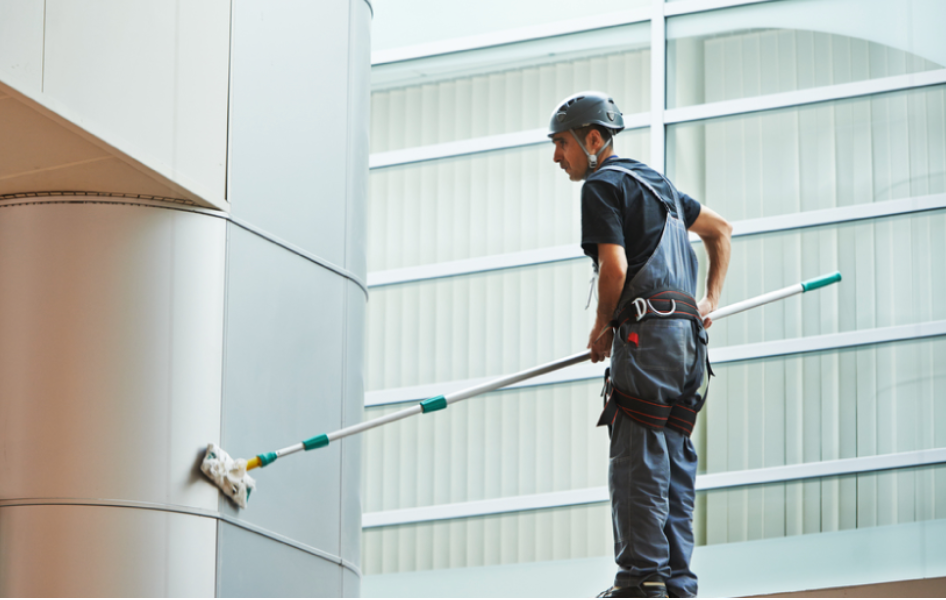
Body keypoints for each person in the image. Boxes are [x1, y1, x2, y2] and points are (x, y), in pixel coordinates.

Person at [549, 92, 732, 598]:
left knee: (638, 454)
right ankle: (676, 583)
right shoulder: (660, 187)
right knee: (672, 455)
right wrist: (708, 301)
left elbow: (615, 268)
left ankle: (641, 582)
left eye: (562, 144)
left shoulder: (602, 186)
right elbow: (720, 231)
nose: (556, 157)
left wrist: (602, 328)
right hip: (689, 349)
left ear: (593, 139)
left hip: (646, 341)